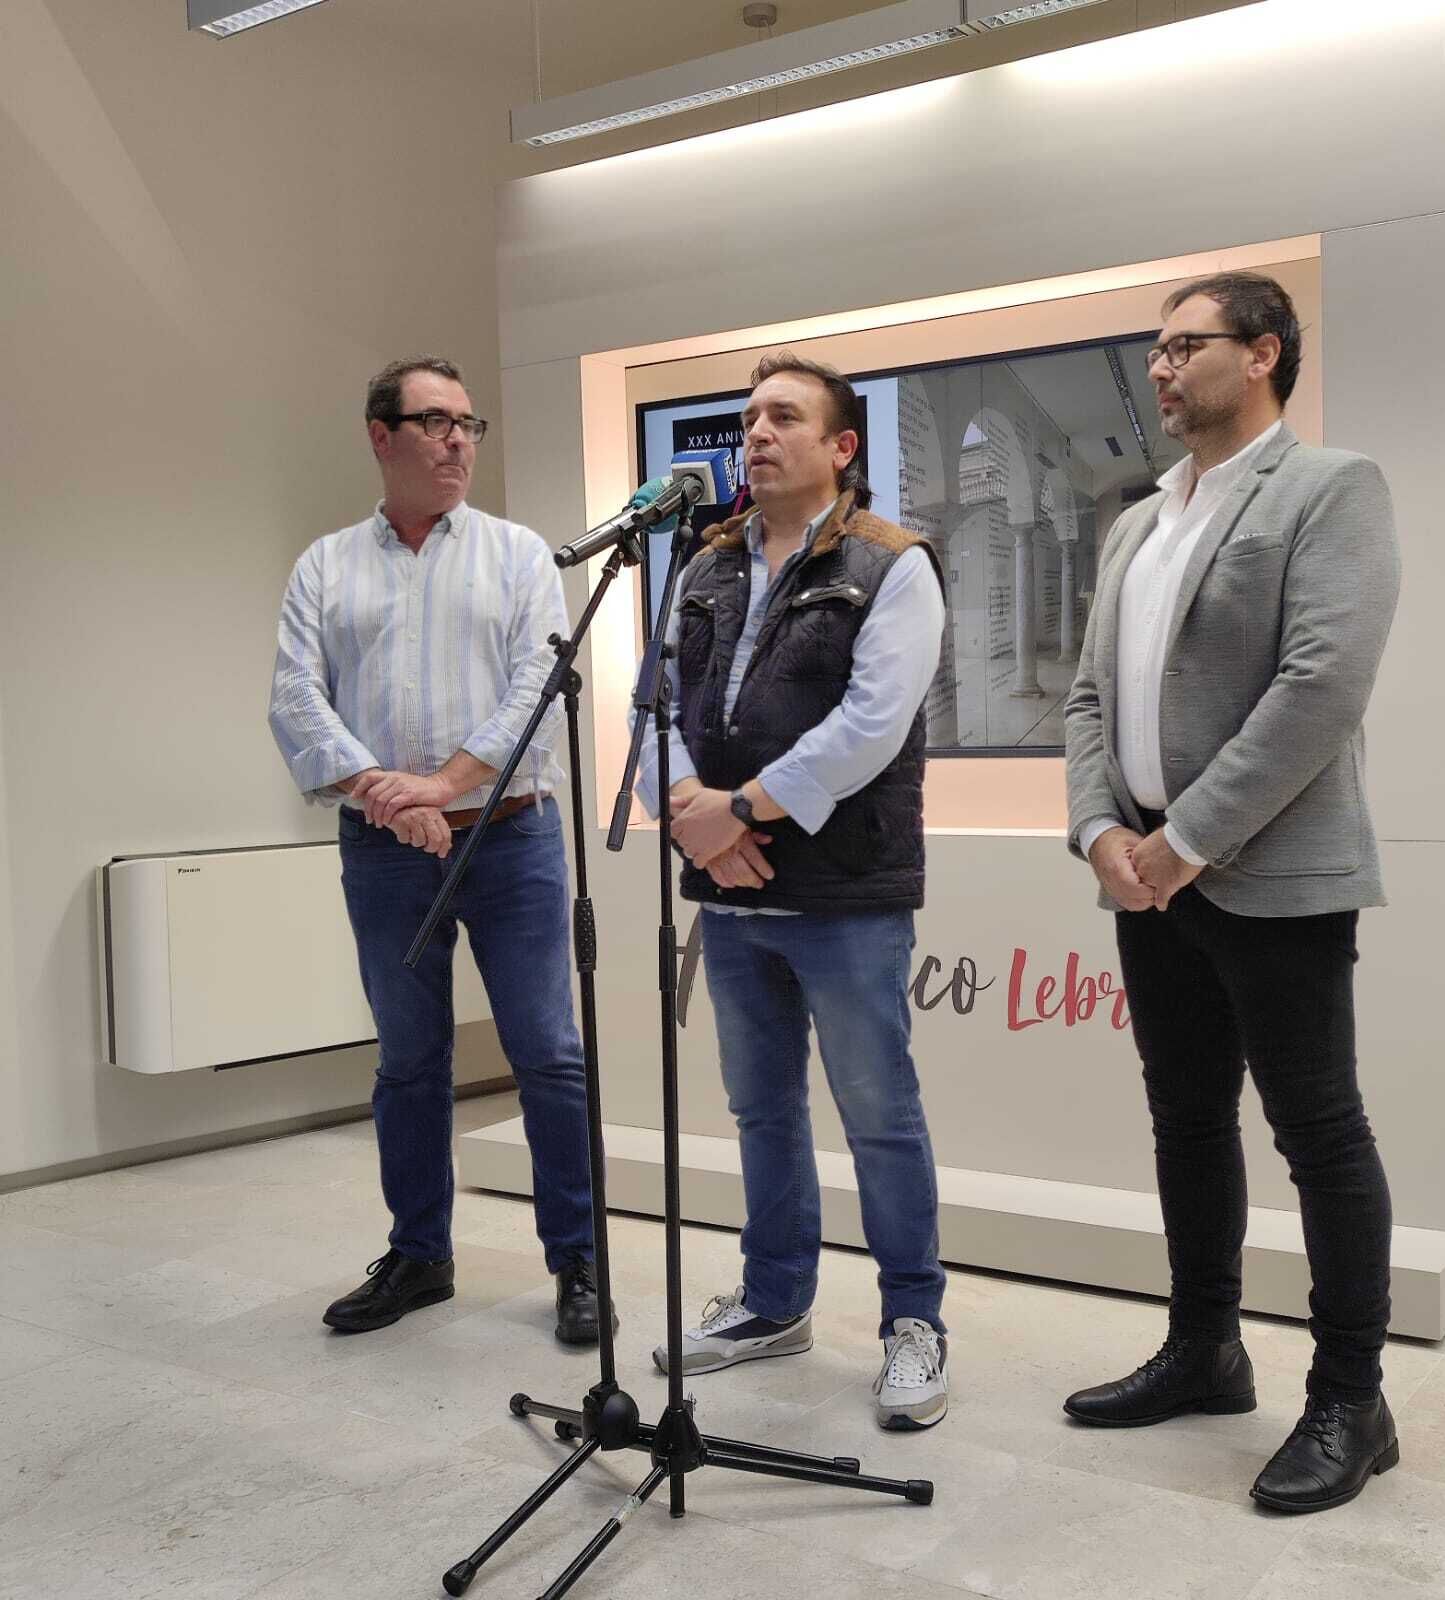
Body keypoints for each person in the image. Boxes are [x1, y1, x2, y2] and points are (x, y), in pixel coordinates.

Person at [1061, 273, 1402, 1512]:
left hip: (1269, 873)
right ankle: (1204, 1348)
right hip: (1148, 876)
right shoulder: (1138, 523)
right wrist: (1101, 828)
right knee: (1187, 1119)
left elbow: (1322, 684)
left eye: (1182, 345)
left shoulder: (1330, 487)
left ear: (1261, 353)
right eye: (1154, 349)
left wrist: (1186, 839)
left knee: (1319, 1133)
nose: (1159, 367)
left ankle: (1351, 1399)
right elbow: (1088, 697)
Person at [636, 352, 951, 1430]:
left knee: (879, 1114)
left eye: (783, 417)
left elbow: (871, 725)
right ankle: (774, 1301)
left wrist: (739, 811)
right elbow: (653, 710)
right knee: (760, 1107)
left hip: (844, 891)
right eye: (748, 419)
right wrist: (694, 814)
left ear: (841, 446)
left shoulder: (892, 564)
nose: (756, 435)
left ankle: (914, 1323)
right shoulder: (703, 564)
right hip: (730, 895)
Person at [269, 356, 605, 1344]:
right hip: (384, 849)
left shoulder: (516, 555)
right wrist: (386, 794)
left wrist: (446, 785)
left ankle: (578, 1261)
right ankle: (420, 1254)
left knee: (548, 1055)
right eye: (435, 422)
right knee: (409, 1061)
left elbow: (538, 690)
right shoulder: (325, 565)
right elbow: (296, 697)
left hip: (511, 839)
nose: (459, 440)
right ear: (382, 436)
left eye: (469, 423)